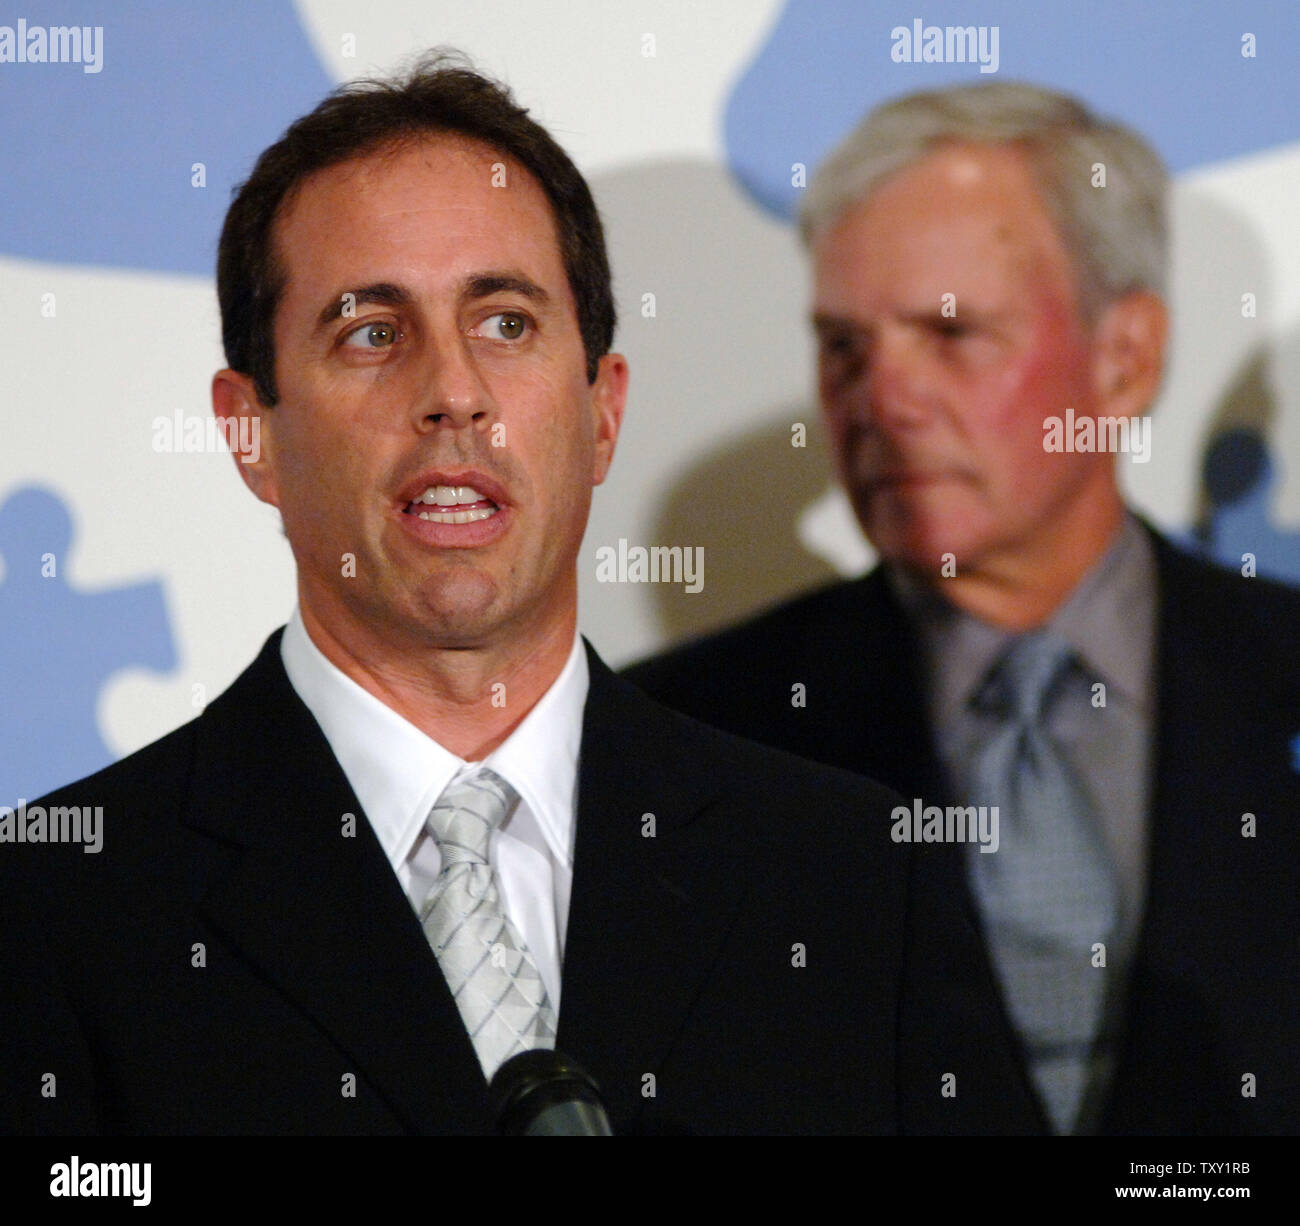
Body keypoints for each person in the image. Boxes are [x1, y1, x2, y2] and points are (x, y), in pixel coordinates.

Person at [0, 55, 1038, 1137]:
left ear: (601, 412)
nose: (452, 394)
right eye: (370, 332)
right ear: (250, 431)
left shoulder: (854, 880)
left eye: (504, 322)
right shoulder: (55, 909)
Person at [627, 82, 1300, 1135]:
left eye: (950, 332)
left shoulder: (1279, 671)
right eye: (844, 345)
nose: (881, 399)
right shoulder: (676, 741)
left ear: (1124, 357)